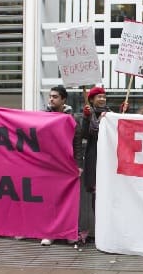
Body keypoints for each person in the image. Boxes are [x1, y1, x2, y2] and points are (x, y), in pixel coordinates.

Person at [39, 86, 83, 246]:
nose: (51, 99)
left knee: (68, 199)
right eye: (50, 96)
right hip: (48, 164)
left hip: (66, 164)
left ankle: (68, 232)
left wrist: (79, 164)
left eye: (55, 97)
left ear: (64, 100)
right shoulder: (43, 116)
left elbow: (77, 142)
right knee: (50, 199)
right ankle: (50, 233)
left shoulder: (73, 118)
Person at [79, 86, 113, 245]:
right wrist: (87, 118)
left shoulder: (111, 113)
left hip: (110, 159)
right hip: (95, 159)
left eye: (104, 96)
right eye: (99, 97)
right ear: (91, 99)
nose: (102, 99)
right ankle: (98, 229)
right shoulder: (88, 115)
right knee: (96, 195)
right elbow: (85, 134)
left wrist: (121, 114)